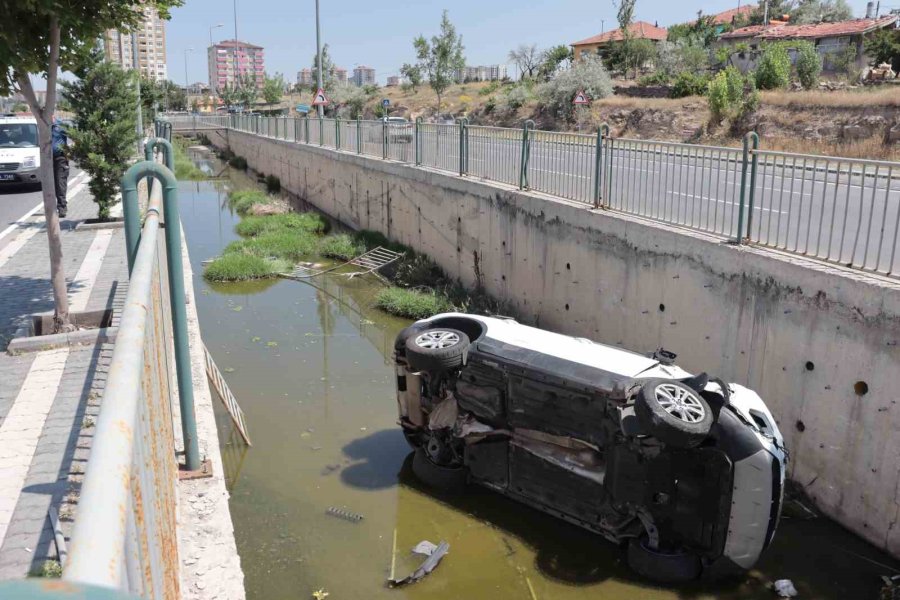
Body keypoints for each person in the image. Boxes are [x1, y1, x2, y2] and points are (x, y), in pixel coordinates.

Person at [51, 118, 69, 218]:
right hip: (47, 160)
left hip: (60, 158)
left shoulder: (60, 126)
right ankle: (51, 207)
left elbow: (74, 136)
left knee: (60, 183)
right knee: (50, 184)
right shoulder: (43, 126)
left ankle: (62, 207)